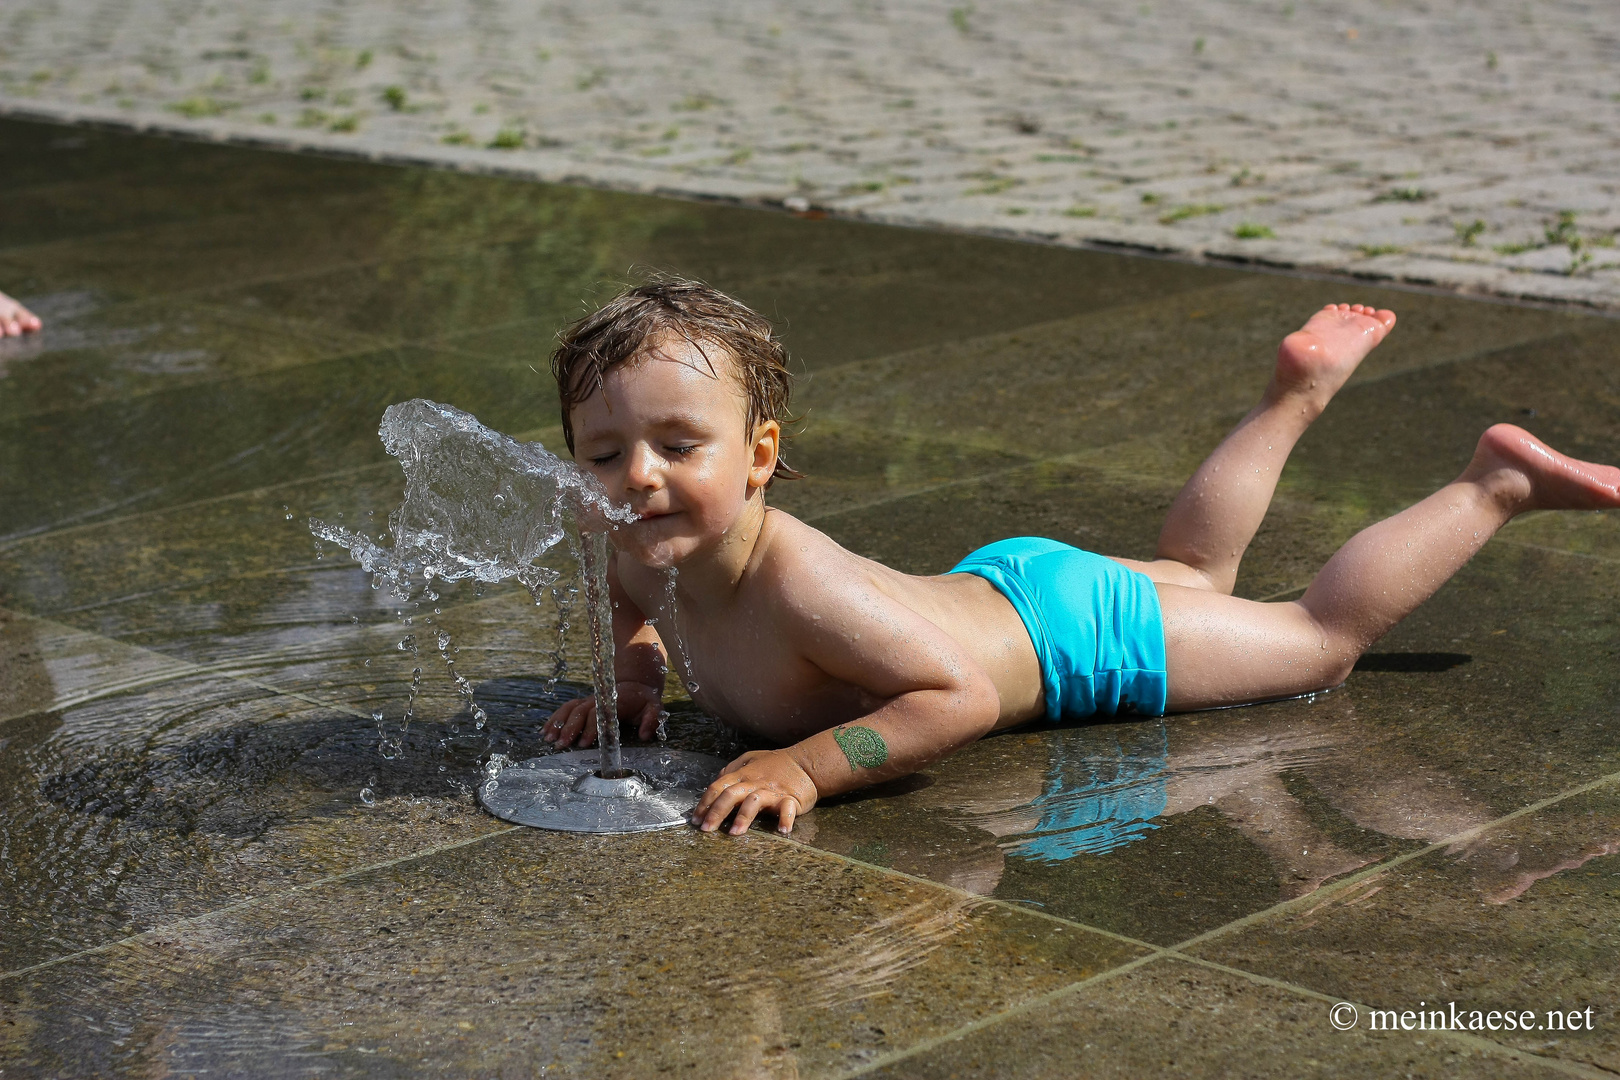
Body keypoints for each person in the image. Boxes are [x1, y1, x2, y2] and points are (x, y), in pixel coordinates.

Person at [537, 277, 1620, 836]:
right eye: (605, 453)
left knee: (1316, 640)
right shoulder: (639, 547)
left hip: (1065, 637)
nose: (638, 477)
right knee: (1196, 574)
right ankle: (1293, 395)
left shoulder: (795, 580)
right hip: (999, 586)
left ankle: (1497, 482)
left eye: (680, 447)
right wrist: (632, 686)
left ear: (761, 454)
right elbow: (632, 614)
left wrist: (808, 766)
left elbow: (952, 697)